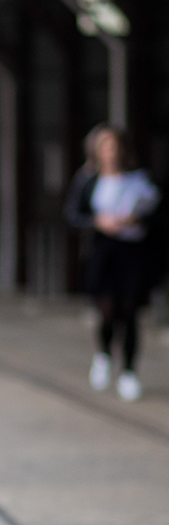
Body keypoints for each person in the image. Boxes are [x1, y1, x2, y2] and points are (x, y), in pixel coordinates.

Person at [66, 127, 160, 401]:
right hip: (103, 252)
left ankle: (129, 372)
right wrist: (98, 221)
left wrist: (137, 219)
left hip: (133, 252)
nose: (111, 152)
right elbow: (73, 215)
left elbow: (156, 213)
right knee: (107, 310)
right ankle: (104, 353)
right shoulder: (87, 180)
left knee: (130, 312)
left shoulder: (140, 178)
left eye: (115, 146)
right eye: (105, 147)